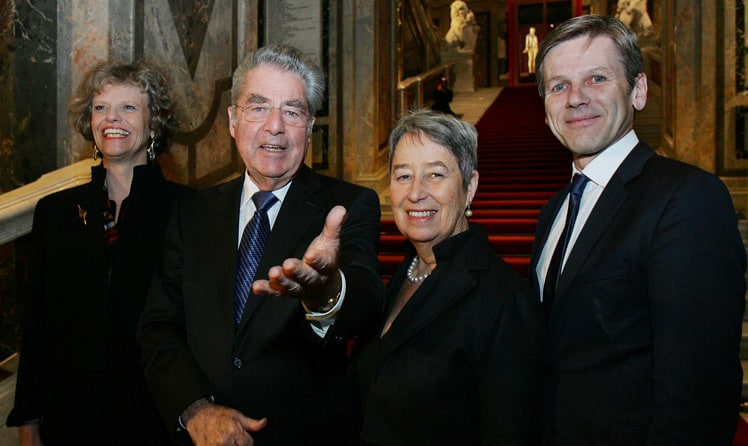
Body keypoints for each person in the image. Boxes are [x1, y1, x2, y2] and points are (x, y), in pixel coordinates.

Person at [137, 44, 383, 446]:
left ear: (310, 125)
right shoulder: (192, 212)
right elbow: (158, 325)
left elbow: (366, 297)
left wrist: (325, 293)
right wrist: (195, 408)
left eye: (292, 110)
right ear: (233, 120)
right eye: (258, 107)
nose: (275, 126)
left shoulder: (347, 207)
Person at [530, 14, 746, 444]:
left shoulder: (686, 198)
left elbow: (699, 389)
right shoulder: (554, 210)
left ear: (639, 90)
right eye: (559, 86)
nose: (575, 98)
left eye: (596, 79)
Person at [7, 60, 186, 444]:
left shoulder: (189, 211)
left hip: (156, 416)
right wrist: (29, 418)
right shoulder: (54, 213)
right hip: (69, 418)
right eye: (100, 107)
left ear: (154, 123)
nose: (111, 118)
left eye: (129, 107)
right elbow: (36, 323)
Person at [352, 110, 544, 445]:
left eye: (436, 175)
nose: (415, 193)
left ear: (470, 187)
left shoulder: (502, 300)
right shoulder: (409, 271)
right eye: (402, 176)